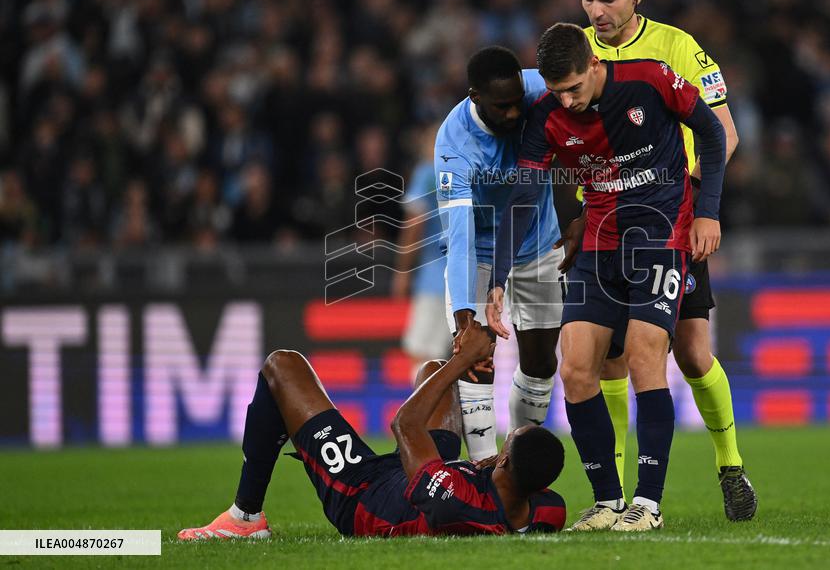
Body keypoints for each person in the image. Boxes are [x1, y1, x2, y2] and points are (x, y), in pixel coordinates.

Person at [486, 22, 727, 531]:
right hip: (598, 245)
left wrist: (708, 210)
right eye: (557, 92)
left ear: (594, 65)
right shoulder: (547, 116)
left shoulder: (651, 79)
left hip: (661, 239)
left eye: (575, 87)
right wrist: (497, 276)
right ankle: (607, 502)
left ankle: (649, 504)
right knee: (574, 370)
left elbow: (711, 131)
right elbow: (526, 196)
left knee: (644, 359)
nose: (568, 101)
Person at [570, 0, 756, 522]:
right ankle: (617, 498)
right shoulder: (576, 49)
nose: (596, 12)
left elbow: (723, 131)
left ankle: (730, 465)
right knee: (604, 361)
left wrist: (696, 203)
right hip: (601, 228)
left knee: (693, 352)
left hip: (667, 219)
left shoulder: (678, 48)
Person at [177, 321, 566, 539]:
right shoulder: (546, 507)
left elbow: (404, 425)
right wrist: (457, 367)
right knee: (434, 373)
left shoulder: (456, 504)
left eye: (505, 447)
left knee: (282, 366)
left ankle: (245, 518)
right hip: (428, 474)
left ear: (504, 465)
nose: (498, 449)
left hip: (364, 493)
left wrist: (464, 359)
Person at [435, 46, 564, 461]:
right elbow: (458, 239)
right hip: (481, 248)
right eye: (502, 107)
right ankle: (485, 468)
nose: (513, 114)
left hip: (539, 241)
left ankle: (516, 459)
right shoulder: (454, 146)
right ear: (475, 96)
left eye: (516, 104)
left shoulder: (537, 90)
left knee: (542, 363)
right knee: (475, 358)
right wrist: (465, 321)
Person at [393, 123, 453, 374]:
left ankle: (428, 413)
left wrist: (402, 272)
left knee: (422, 354)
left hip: (434, 278)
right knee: (444, 355)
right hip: (465, 275)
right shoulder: (466, 172)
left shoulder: (427, 173)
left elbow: (414, 222)